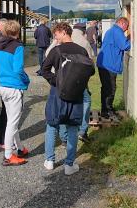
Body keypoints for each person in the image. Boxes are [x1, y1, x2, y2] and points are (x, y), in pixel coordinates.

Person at [41, 22, 87, 175]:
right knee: (73, 126)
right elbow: (87, 71)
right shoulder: (82, 50)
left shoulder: (56, 50)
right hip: (76, 92)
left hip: (57, 92)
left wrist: (56, 81)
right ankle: (69, 164)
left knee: (52, 124)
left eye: (56, 33)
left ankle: (49, 160)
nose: (55, 36)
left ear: (63, 32)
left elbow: (44, 69)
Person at [0, 20, 30, 166]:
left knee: (11, 120)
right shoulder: (18, 47)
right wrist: (26, 80)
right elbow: (18, 69)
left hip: (3, 86)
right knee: (13, 123)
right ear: (17, 32)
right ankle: (8, 155)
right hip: (15, 87)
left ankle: (20, 148)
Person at [96, 17, 131, 120]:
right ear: (122, 23)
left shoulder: (111, 30)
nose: (126, 29)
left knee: (106, 88)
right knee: (111, 89)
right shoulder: (117, 31)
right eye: (127, 26)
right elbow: (125, 46)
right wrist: (132, 38)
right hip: (109, 65)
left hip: (104, 64)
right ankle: (108, 111)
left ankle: (105, 110)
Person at [0, 18, 9, 149]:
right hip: (5, 79)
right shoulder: (1, 39)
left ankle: (4, 138)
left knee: (7, 111)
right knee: (6, 111)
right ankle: (2, 139)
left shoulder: (1, 38)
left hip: (3, 78)